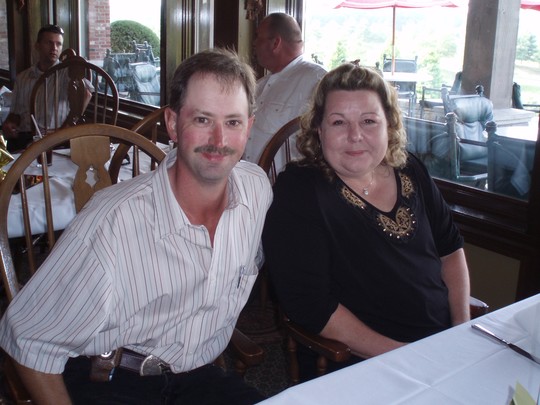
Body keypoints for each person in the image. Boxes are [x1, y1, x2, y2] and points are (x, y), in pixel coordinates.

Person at [0, 48, 273, 404]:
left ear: (249, 127)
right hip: (112, 378)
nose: (219, 141)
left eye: (233, 122)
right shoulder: (111, 222)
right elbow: (27, 337)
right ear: (172, 123)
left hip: (196, 374)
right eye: (202, 120)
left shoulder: (256, 190)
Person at [262, 63, 471, 381]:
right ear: (319, 130)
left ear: (390, 125)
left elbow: (450, 249)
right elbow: (313, 307)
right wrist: (408, 358)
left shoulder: (410, 169)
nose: (355, 136)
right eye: (338, 122)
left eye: (369, 121)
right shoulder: (299, 191)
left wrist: (461, 331)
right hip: (361, 363)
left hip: (440, 348)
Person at [243, 12, 326, 169]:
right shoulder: (260, 85)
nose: (254, 44)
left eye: (258, 38)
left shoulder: (317, 81)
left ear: (275, 43)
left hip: (290, 182)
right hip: (248, 180)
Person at [2, 24, 91, 152]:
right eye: (49, 43)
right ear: (37, 46)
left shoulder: (67, 74)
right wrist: (9, 124)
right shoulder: (23, 78)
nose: (54, 48)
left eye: (58, 44)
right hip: (25, 137)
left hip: (56, 138)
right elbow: (15, 113)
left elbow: (86, 94)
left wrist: (66, 129)